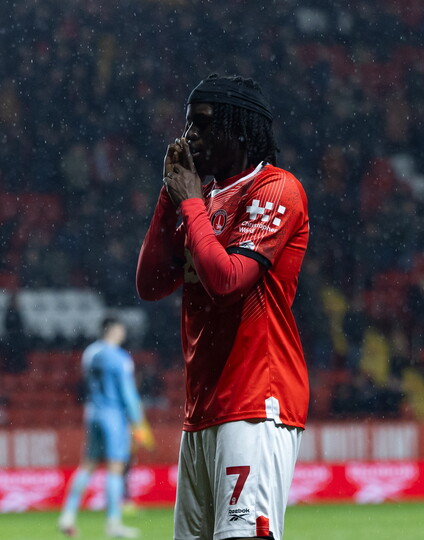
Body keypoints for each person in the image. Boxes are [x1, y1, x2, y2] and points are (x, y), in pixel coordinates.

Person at [136, 74, 310, 540]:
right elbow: (150, 283)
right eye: (188, 124)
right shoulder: (205, 200)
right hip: (203, 409)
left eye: (203, 125)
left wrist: (189, 201)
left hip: (254, 400)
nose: (190, 135)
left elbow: (228, 280)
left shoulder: (276, 189)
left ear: (239, 129)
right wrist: (168, 196)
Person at [58, 316, 154, 539]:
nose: (123, 334)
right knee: (115, 468)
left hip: (92, 412)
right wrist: (138, 423)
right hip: (113, 415)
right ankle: (113, 522)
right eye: (121, 329)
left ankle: (67, 516)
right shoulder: (120, 358)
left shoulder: (90, 353)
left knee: (88, 465)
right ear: (112, 330)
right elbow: (128, 394)